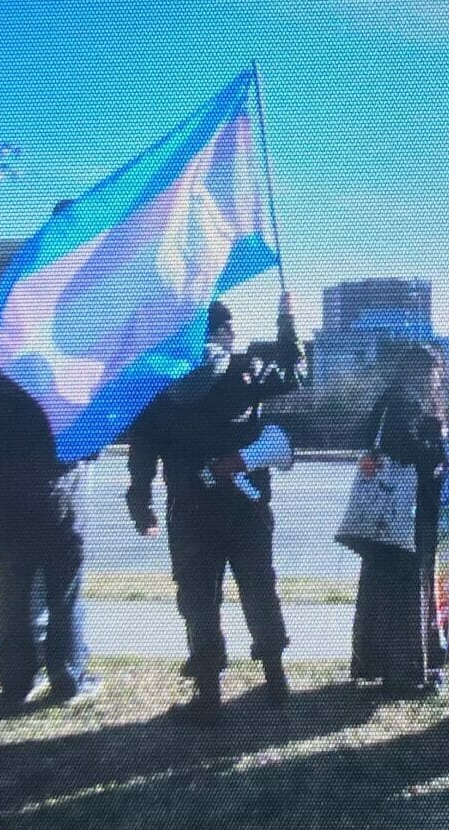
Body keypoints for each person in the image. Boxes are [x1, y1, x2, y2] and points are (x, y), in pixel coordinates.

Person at [126, 296, 303, 724]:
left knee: (199, 600)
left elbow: (143, 449)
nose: (234, 334)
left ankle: (209, 693)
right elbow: (296, 375)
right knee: (258, 588)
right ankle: (276, 679)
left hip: (189, 508)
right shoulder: (245, 372)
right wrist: (286, 320)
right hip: (247, 503)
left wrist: (141, 501)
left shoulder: (161, 384)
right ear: (220, 332)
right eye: (229, 328)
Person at [0, 370, 98, 707]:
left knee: (13, 599)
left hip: (8, 505)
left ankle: (16, 680)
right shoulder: (69, 386)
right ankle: (68, 677)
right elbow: (90, 445)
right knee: (64, 599)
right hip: (59, 505)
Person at [349, 345, 449, 695]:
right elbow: (410, 451)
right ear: (424, 372)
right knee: (413, 590)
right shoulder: (409, 404)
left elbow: (369, 439)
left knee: (384, 588)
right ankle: (407, 671)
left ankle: (380, 663)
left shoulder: (388, 399)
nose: (438, 379)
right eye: (435, 371)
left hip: (384, 513)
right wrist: (438, 444)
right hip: (409, 512)